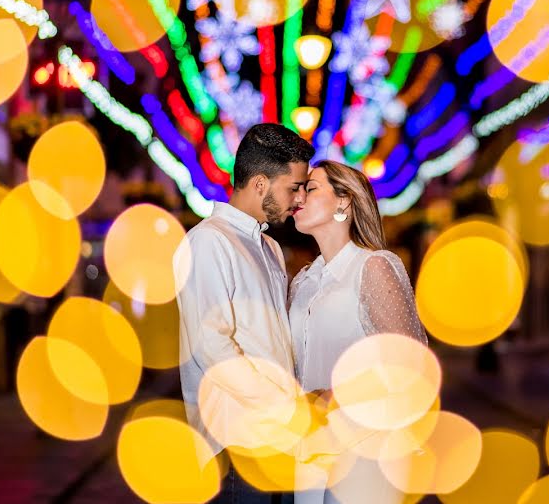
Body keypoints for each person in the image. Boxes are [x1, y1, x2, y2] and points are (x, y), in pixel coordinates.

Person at [174, 123, 314, 504]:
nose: (300, 199)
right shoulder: (206, 242)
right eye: (293, 187)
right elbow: (211, 346)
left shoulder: (268, 246)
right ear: (260, 184)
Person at [288, 161, 428, 504]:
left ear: (344, 202)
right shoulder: (303, 282)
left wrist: (334, 396)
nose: (299, 196)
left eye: (312, 187)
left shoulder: (372, 267)